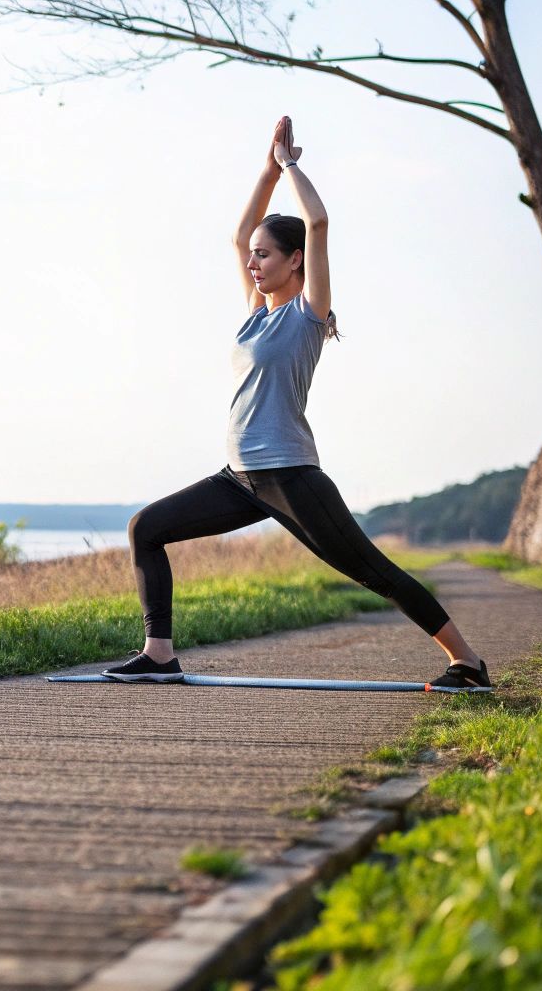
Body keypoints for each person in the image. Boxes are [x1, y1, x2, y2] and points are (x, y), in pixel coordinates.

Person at [103, 116, 492, 690]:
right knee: (146, 528)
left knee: (373, 572)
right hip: (239, 479)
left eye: (266, 255)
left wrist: (289, 167)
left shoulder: (307, 315)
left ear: (294, 261)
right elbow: (239, 237)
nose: (253, 263)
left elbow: (318, 220)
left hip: (290, 475)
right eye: (253, 257)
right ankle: (158, 652)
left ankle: (469, 663)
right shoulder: (255, 316)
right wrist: (264, 169)